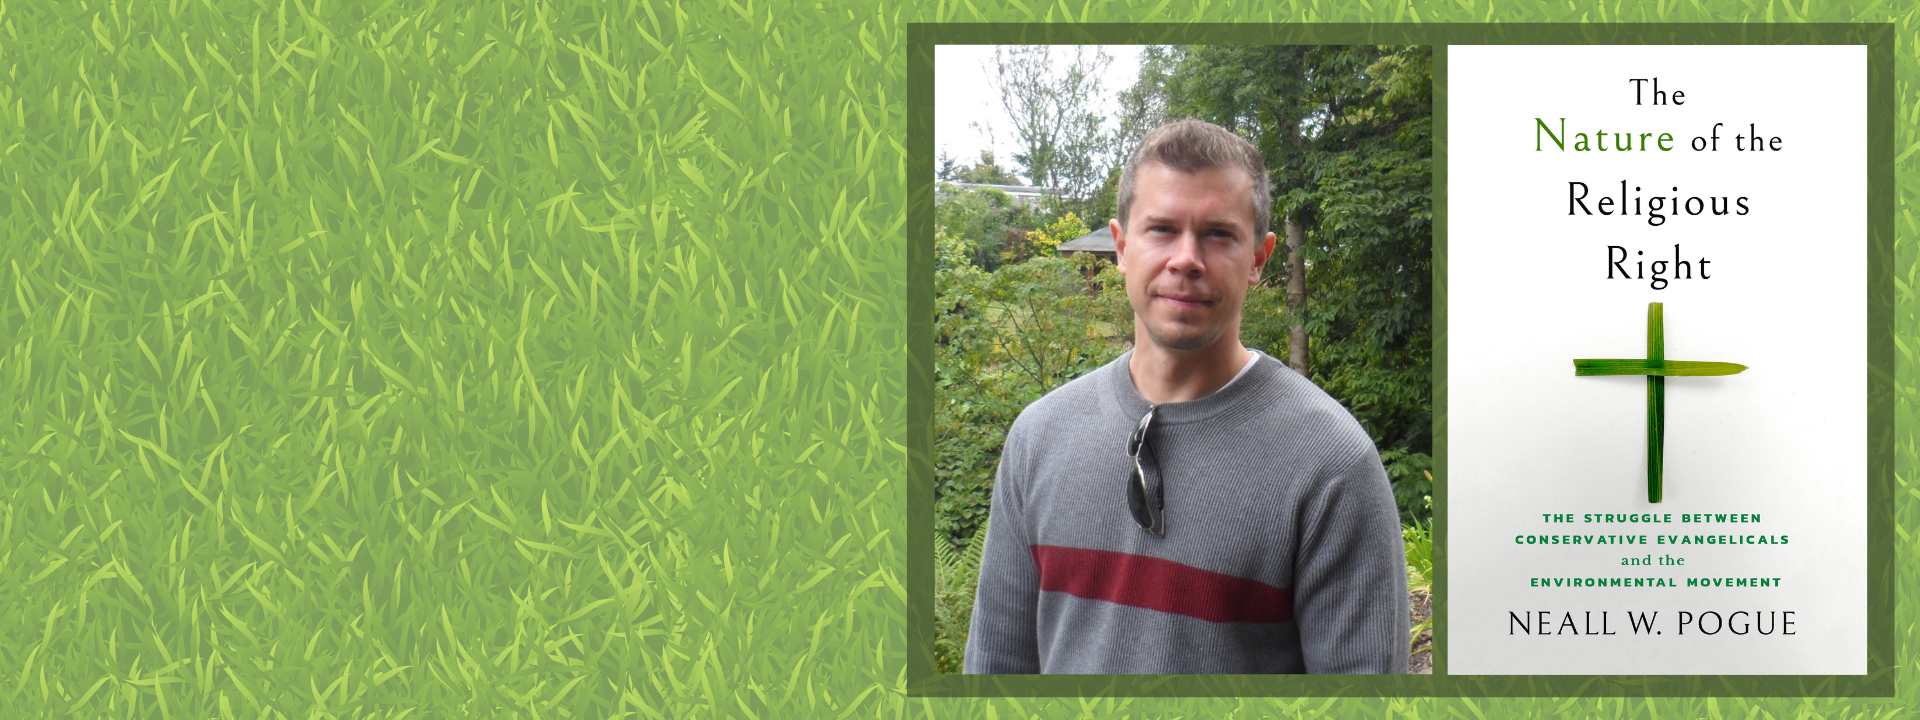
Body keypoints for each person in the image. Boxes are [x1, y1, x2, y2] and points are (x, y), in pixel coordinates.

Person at [962, 119, 1409, 674]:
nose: (1186, 259)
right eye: (1162, 229)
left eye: (1219, 234)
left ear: (1259, 260)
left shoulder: (1331, 464)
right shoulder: (1039, 437)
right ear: (1122, 247)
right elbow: (995, 670)